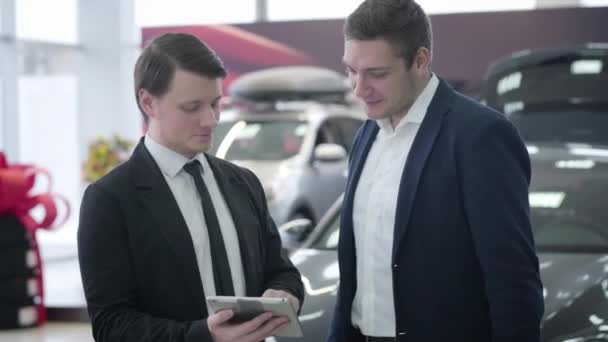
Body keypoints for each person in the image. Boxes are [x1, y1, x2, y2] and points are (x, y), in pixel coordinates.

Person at [327, 1, 544, 341]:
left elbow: (512, 280)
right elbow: (358, 269)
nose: (358, 88)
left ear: (420, 61)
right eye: (351, 71)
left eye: (377, 74)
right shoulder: (367, 134)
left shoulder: (479, 135)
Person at [78, 32, 304, 342]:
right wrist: (202, 335)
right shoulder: (110, 199)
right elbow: (111, 325)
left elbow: (281, 270)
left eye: (215, 103)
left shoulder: (244, 183)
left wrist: (285, 293)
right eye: (192, 107)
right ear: (148, 102)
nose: (210, 120)